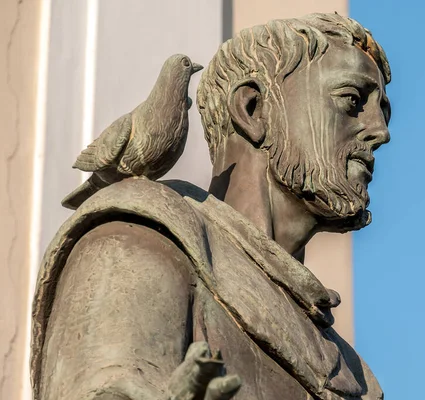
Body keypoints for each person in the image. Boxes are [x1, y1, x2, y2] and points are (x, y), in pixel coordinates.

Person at [31, 13, 392, 400]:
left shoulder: (358, 380)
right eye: (351, 100)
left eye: (383, 113)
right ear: (253, 110)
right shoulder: (138, 243)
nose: (380, 132)